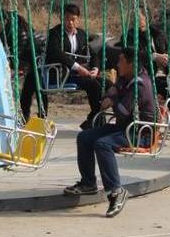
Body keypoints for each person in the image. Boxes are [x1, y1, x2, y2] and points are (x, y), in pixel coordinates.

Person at [63, 47, 155, 218]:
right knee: (84, 137)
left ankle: (116, 191)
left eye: (121, 61)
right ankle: (88, 183)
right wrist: (112, 95)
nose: (117, 64)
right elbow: (111, 92)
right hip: (124, 128)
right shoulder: (124, 77)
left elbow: (121, 110)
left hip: (140, 133)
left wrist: (112, 98)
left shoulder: (139, 84)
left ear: (131, 64)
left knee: (102, 144)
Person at [43, 3, 102, 128]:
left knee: (106, 83)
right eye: (67, 19)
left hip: (77, 74)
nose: (70, 23)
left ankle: (95, 117)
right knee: (94, 85)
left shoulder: (81, 34)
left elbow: (92, 53)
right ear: (62, 18)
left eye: (73, 19)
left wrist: (95, 69)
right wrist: (78, 67)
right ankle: (95, 120)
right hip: (62, 74)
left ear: (78, 19)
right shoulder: (55, 33)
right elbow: (56, 53)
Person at [0, 9, 41, 119]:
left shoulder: (19, 31)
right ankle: (25, 118)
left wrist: (16, 67)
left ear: (2, 22)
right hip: (29, 60)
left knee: (38, 88)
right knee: (28, 91)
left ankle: (39, 116)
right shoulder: (7, 30)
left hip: (38, 58)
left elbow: (19, 52)